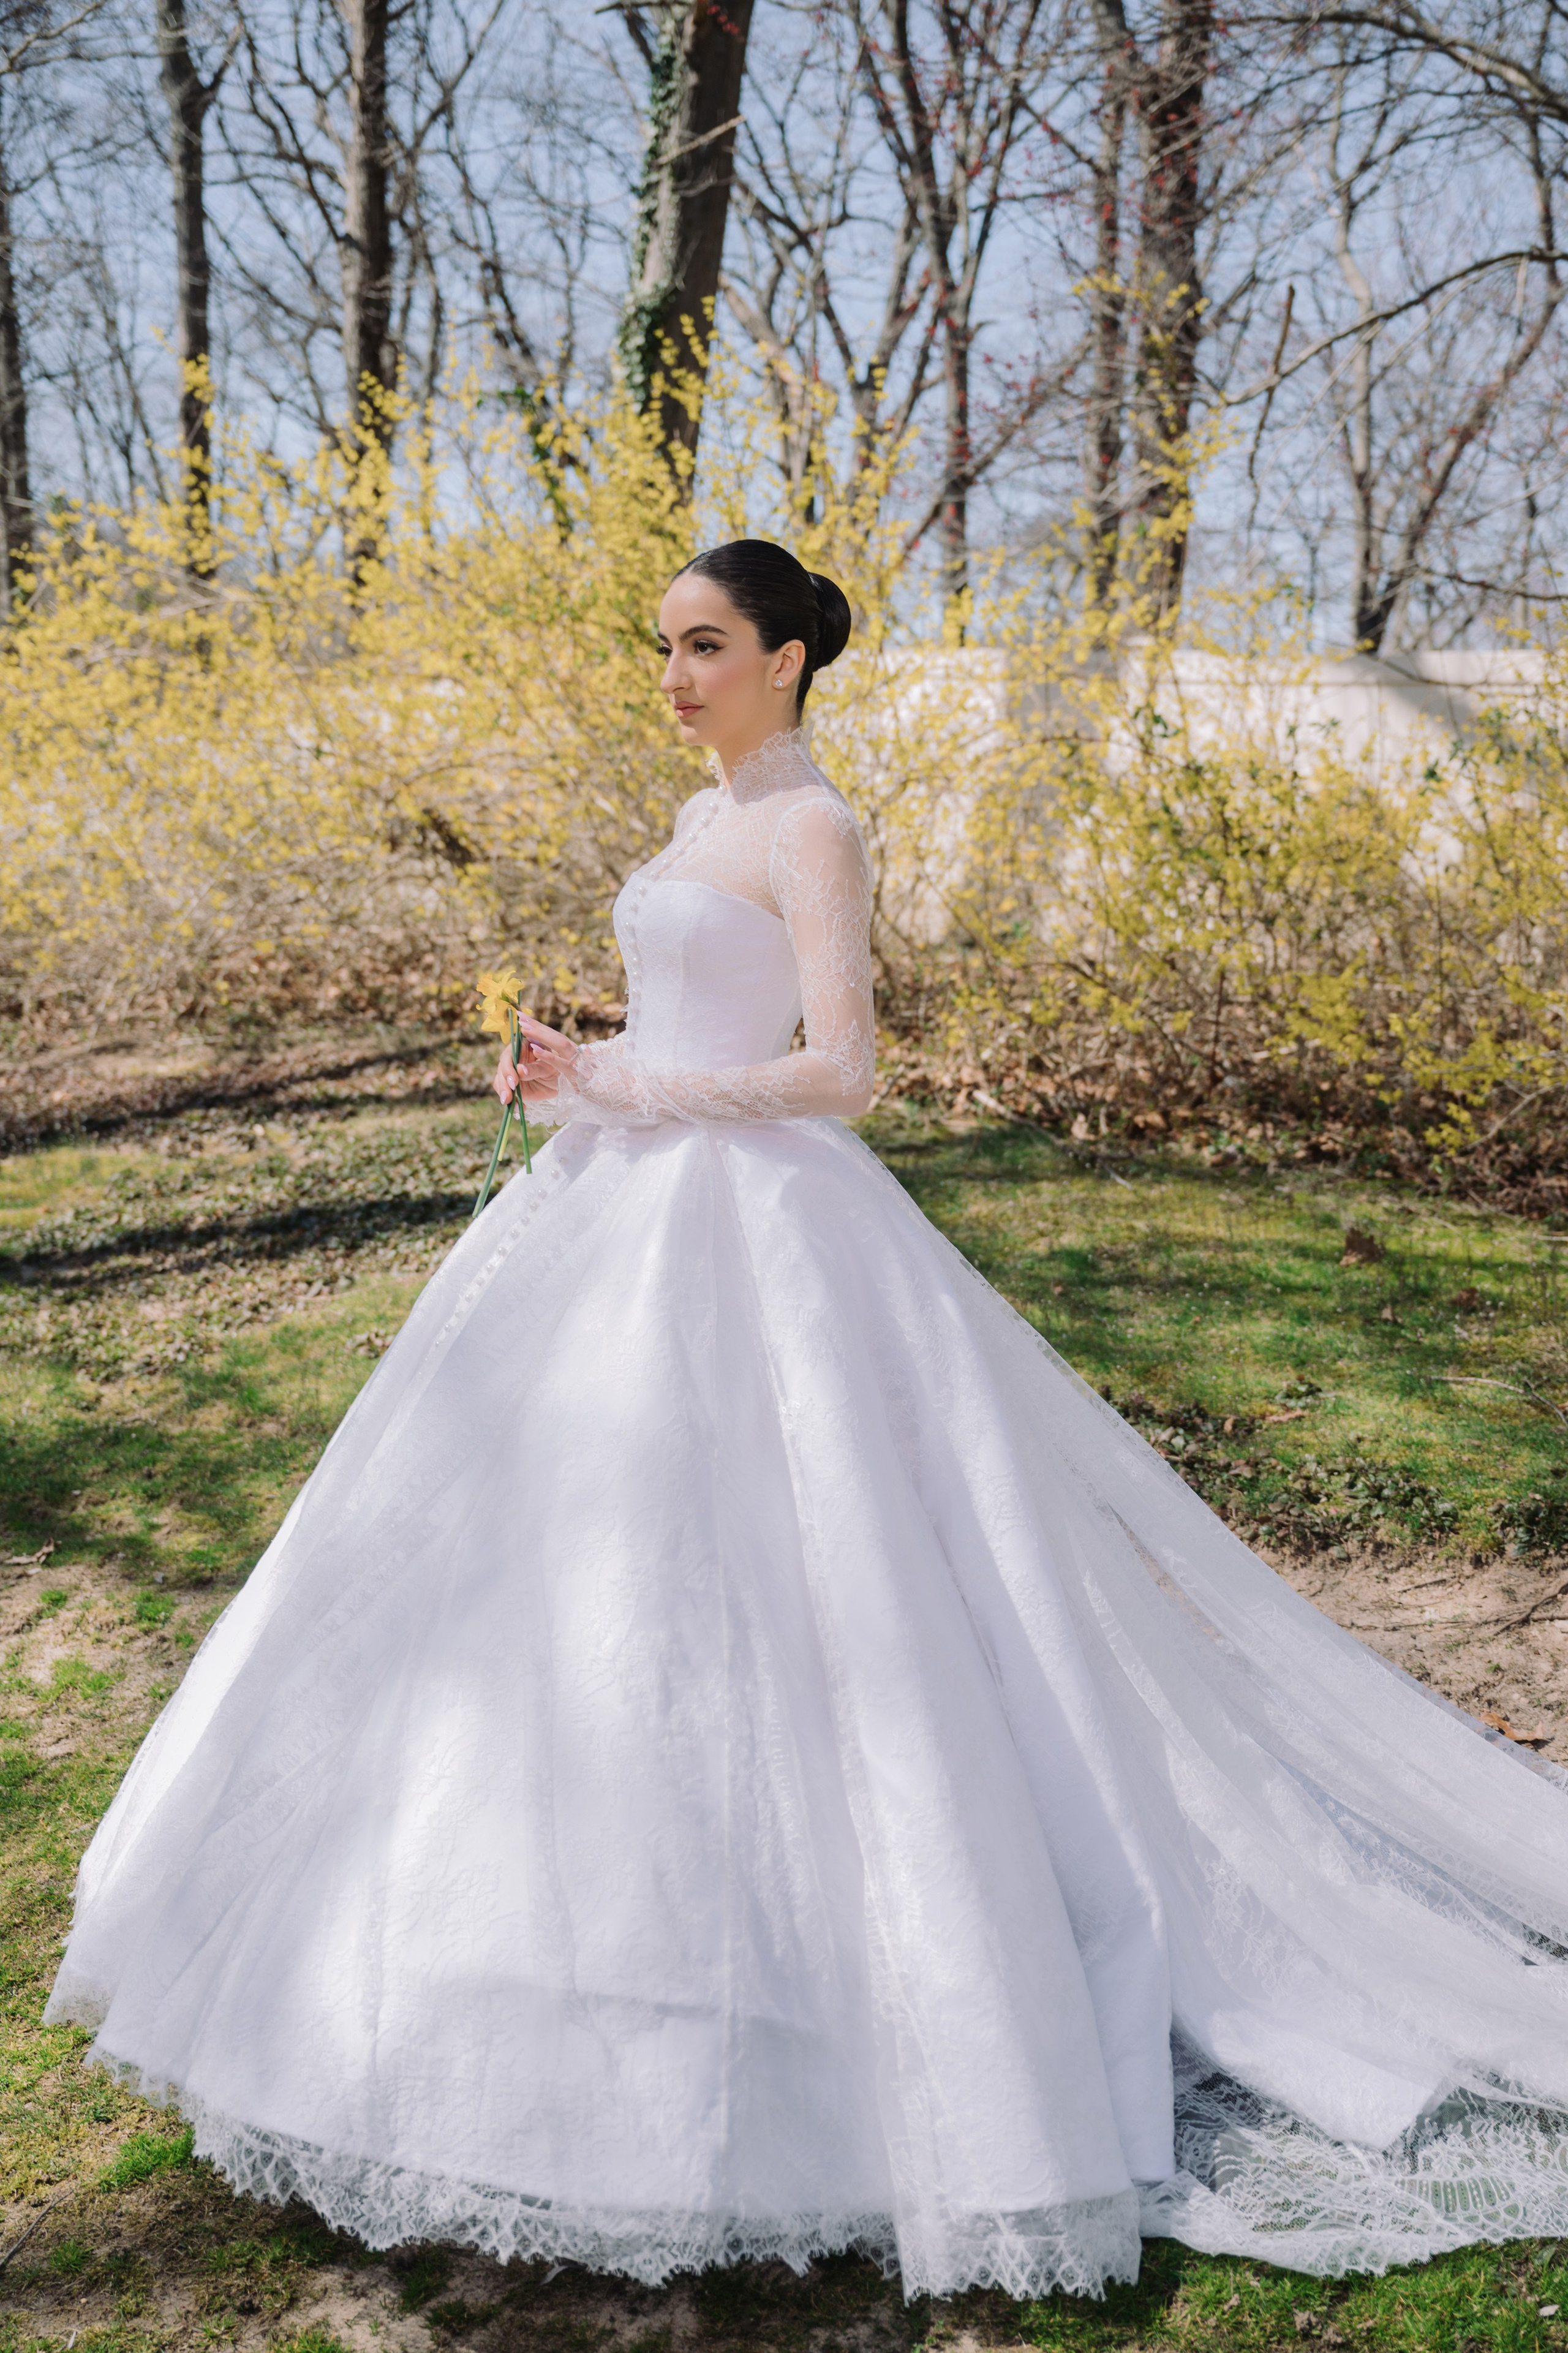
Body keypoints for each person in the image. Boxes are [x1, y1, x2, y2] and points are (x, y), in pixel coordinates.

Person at [48, 541, 1568, 2302]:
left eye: (704, 647)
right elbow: (689, 1017)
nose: (675, 676)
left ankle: (809, 2015)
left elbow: (843, 1068)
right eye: (664, 648)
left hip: (766, 1231)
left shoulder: (813, 827)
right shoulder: (698, 825)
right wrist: (580, 1067)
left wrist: (643, 1082)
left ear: (784, 658)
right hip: (622, 1213)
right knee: (552, 1593)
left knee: (789, 1601)